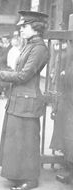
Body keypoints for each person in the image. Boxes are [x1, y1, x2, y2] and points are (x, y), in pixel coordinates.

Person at [0, 10, 49, 190]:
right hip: (19, 100)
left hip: (27, 102)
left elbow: (23, 76)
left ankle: (30, 179)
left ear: (36, 28)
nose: (21, 30)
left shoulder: (39, 48)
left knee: (27, 141)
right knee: (17, 140)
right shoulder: (29, 45)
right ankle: (16, 175)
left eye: (25, 26)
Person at [49, 42, 73, 185]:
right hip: (67, 97)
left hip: (70, 97)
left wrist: (65, 74)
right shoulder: (68, 48)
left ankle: (70, 170)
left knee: (70, 134)